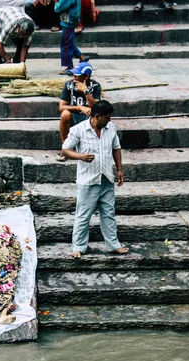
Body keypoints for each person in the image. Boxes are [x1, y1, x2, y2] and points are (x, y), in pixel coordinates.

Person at [61, 100, 129, 259]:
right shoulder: (78, 130)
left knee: (109, 213)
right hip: (88, 180)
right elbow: (65, 150)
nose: (110, 120)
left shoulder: (110, 128)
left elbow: (116, 148)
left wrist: (119, 169)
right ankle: (78, 246)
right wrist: (81, 156)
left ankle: (113, 245)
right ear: (97, 116)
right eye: (107, 117)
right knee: (83, 215)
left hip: (106, 177)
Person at [57, 62, 101, 161]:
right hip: (74, 117)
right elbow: (61, 107)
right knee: (65, 114)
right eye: (73, 75)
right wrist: (79, 108)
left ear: (86, 77)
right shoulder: (68, 85)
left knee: (99, 117)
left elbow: (96, 107)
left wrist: (86, 92)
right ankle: (66, 149)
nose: (74, 78)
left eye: (76, 76)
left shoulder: (96, 86)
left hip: (88, 119)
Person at [55, 0, 90, 76]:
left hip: (69, 20)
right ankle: (81, 56)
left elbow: (59, 7)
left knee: (66, 43)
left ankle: (69, 66)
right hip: (72, 19)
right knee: (68, 41)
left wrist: (56, 4)